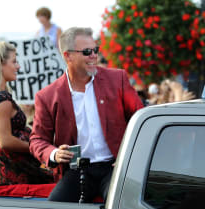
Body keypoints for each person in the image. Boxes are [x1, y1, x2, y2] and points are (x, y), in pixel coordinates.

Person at [29, 27, 143, 202]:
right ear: (68, 56)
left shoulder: (117, 79)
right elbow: (37, 140)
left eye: (95, 50)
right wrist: (54, 153)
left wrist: (129, 155)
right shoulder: (47, 96)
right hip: (76, 171)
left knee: (124, 202)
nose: (94, 56)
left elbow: (140, 118)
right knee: (53, 206)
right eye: (87, 52)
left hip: (115, 166)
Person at [0, 40, 53, 186]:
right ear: (0, 64)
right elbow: (5, 141)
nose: (18, 66)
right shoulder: (2, 99)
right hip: (8, 169)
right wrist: (37, 147)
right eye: (14, 62)